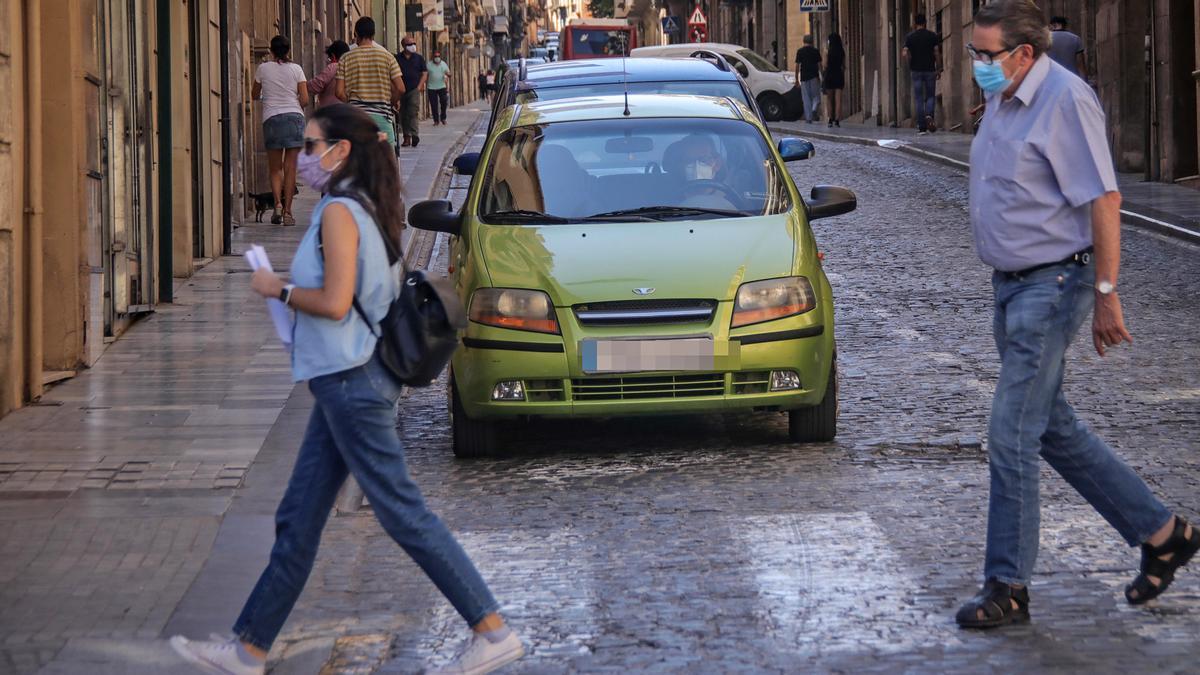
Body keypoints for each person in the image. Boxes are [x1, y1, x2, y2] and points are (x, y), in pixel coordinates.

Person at [168, 104, 527, 675]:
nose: (304, 156)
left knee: (404, 513)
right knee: (298, 518)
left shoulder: (340, 211)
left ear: (341, 150)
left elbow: (335, 303)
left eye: (311, 146)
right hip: (342, 382)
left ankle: (492, 628)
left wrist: (277, 289)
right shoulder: (362, 207)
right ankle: (248, 649)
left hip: (353, 383)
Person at [954, 0, 1198, 629]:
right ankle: (1163, 533)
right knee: (1051, 426)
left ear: (1025, 53)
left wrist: (1108, 293)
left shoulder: (1066, 100)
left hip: (1054, 285)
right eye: (973, 54)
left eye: (986, 55)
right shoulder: (1005, 100)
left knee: (1010, 433)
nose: (976, 66)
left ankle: (1007, 586)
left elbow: (1106, 197)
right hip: (1010, 286)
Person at [253, 36, 309, 226]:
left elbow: (254, 94)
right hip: (294, 117)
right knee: (290, 167)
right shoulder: (297, 69)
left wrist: (265, 96)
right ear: (288, 51)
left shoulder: (263, 68)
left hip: (272, 119)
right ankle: (288, 212)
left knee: (275, 168)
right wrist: (295, 105)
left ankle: (277, 203)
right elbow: (305, 98)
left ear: (271, 50)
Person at [335, 16, 405, 146]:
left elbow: (339, 92)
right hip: (382, 119)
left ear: (356, 34)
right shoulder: (387, 57)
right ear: (373, 34)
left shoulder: (345, 58)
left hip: (356, 119)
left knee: (358, 160)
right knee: (385, 162)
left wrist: (352, 103)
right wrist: (391, 102)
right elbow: (400, 88)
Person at [902, 13, 941, 133]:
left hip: (916, 70)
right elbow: (936, 53)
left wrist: (910, 63)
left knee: (918, 98)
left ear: (915, 24)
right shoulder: (932, 36)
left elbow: (904, 53)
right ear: (925, 23)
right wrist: (938, 68)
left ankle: (921, 126)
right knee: (930, 95)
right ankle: (929, 115)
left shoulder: (910, 37)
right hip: (930, 70)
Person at [395, 36, 428, 147]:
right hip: (400, 90)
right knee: (403, 114)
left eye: (414, 43)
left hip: (414, 89)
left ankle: (414, 135)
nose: (413, 46)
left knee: (413, 112)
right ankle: (406, 138)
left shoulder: (419, 58)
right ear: (404, 46)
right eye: (410, 44)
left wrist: (419, 86)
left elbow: (424, 73)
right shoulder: (397, 58)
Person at [308, 40, 351, 108]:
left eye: (329, 58)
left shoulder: (334, 67)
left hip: (331, 112)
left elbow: (314, 86)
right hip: (350, 111)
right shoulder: (352, 68)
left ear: (333, 56)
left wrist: (301, 84)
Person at [794, 35, 822, 124]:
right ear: (812, 41)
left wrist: (796, 79)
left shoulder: (800, 51)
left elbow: (797, 66)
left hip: (804, 77)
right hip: (814, 76)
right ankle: (814, 109)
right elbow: (819, 65)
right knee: (816, 96)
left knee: (806, 98)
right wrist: (822, 75)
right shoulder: (815, 51)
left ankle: (808, 118)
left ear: (803, 41)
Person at [823, 33, 846, 128]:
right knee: (838, 99)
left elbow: (825, 64)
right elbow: (844, 65)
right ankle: (837, 119)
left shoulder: (827, 51)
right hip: (839, 75)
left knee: (829, 99)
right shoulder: (841, 51)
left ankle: (830, 119)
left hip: (829, 75)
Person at [426, 50, 451, 126]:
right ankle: (436, 120)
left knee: (444, 102)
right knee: (434, 105)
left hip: (442, 86)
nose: (437, 58)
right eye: (435, 56)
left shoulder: (444, 64)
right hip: (431, 87)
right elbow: (425, 75)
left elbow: (448, 74)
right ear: (433, 57)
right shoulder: (428, 65)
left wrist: (448, 75)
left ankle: (443, 118)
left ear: (440, 57)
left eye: (438, 56)